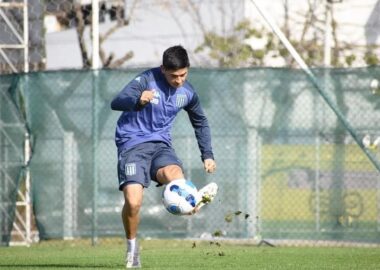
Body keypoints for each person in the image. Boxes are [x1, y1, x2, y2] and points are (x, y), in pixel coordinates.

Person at [110, 45, 217, 268]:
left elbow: (200, 122)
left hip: (160, 145)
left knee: (175, 174)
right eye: (173, 76)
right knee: (133, 202)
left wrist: (207, 154)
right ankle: (132, 250)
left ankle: (190, 201)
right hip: (133, 144)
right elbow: (117, 102)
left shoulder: (188, 93)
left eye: (183, 74)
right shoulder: (146, 80)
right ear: (162, 69)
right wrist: (139, 100)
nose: (179, 80)